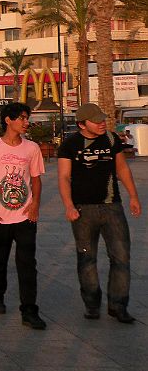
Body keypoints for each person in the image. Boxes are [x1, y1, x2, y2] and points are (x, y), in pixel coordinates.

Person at [57, 103, 142, 323]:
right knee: (87, 258)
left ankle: (118, 305)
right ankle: (92, 304)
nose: (102, 123)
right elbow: (64, 177)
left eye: (103, 119)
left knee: (121, 256)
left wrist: (133, 195)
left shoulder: (112, 139)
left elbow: (121, 168)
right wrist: (68, 206)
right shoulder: (70, 144)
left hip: (112, 206)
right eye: (96, 121)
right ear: (82, 125)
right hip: (83, 209)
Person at [0, 102, 47, 329]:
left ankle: (29, 310)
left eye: (27, 118)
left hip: (25, 216)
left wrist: (35, 203)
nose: (26, 122)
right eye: (22, 118)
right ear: (8, 120)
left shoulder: (32, 148)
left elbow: (36, 178)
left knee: (27, 263)